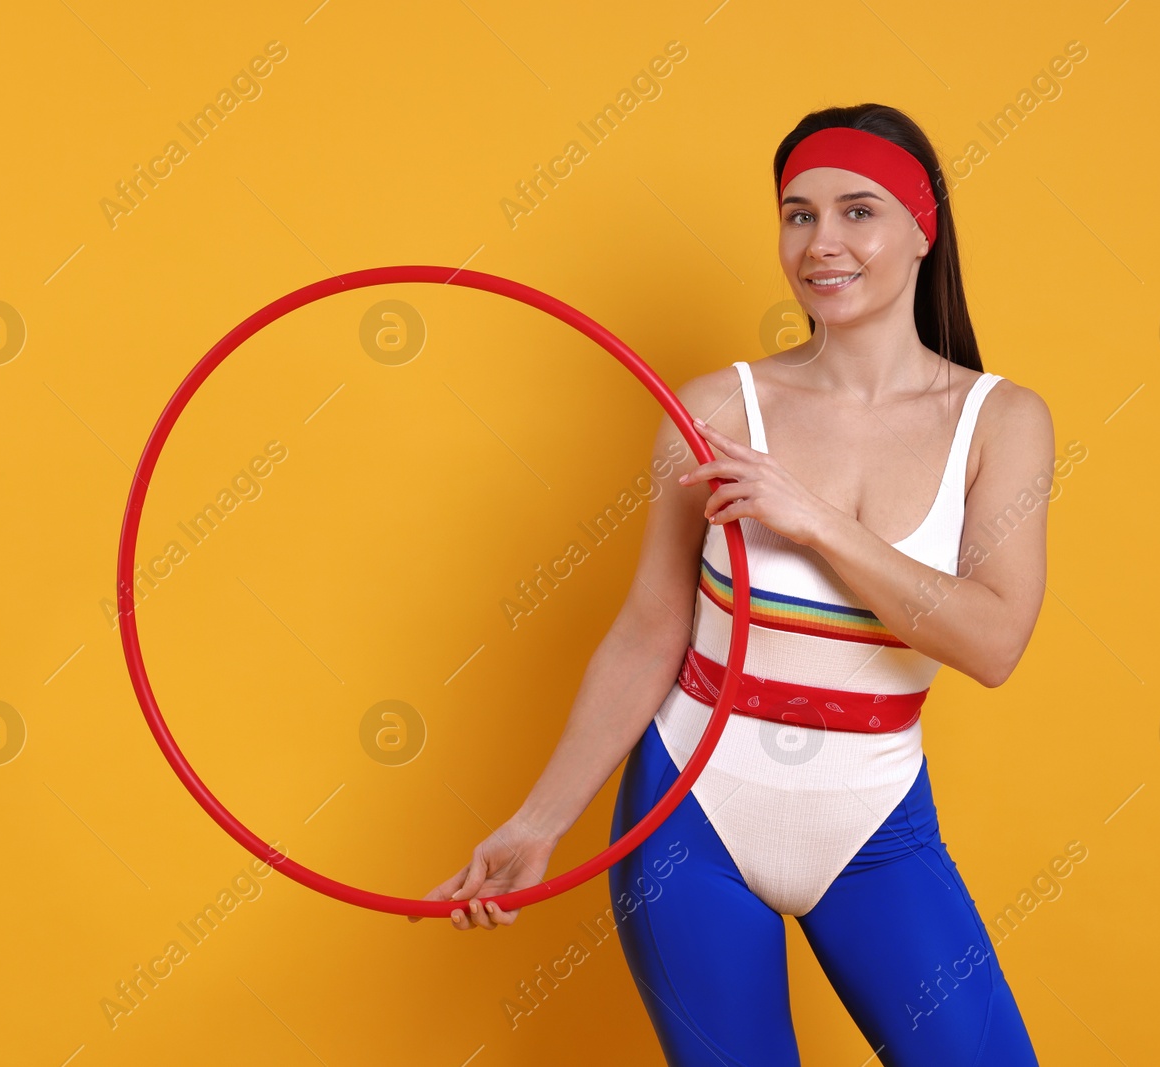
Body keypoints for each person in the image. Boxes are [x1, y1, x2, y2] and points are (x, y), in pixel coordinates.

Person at [412, 103, 1051, 1066]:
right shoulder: (716, 408)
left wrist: (816, 521)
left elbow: (993, 642)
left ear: (923, 231)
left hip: (875, 822)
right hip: (688, 818)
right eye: (798, 215)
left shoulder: (1001, 420)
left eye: (857, 211)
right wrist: (538, 824)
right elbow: (647, 632)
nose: (822, 243)